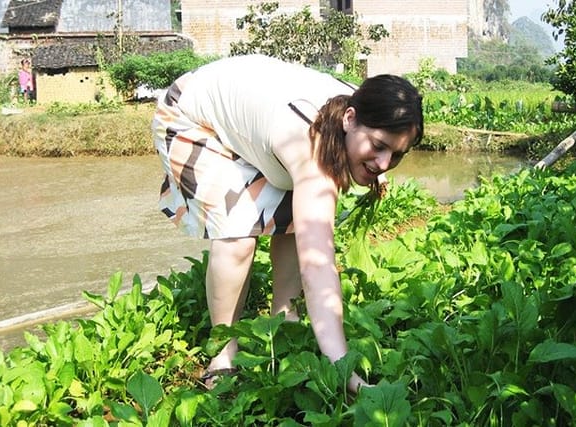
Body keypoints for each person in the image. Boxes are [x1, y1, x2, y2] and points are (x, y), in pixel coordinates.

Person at [152, 54, 423, 393]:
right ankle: (223, 352)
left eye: (396, 155)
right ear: (349, 119)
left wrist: (375, 165)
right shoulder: (311, 149)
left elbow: (367, 151)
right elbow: (318, 267)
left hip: (255, 115)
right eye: (379, 147)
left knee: (297, 220)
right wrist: (346, 372)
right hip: (194, 117)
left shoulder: (367, 108)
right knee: (238, 237)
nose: (384, 164)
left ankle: (284, 326)